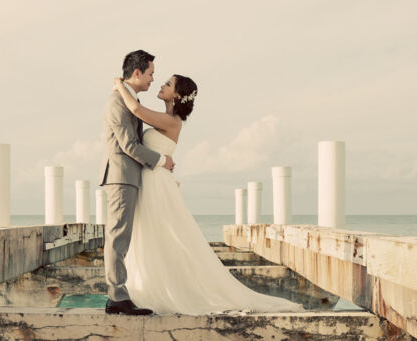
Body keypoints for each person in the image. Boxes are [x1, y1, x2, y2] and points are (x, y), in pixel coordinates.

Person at [110, 71, 305, 315]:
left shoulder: (172, 121)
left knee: (164, 235)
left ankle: (164, 290)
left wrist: (120, 86)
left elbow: (137, 112)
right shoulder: (163, 118)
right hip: (151, 181)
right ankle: (145, 288)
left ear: (178, 95)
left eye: (168, 84)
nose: (161, 84)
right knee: (151, 235)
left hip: (157, 184)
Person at [98, 50, 174, 315]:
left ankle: (119, 295)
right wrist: (160, 161)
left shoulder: (126, 98)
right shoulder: (117, 101)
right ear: (137, 72)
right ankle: (116, 296)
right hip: (120, 177)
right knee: (117, 238)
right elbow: (129, 145)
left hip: (129, 178)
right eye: (151, 74)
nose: (153, 79)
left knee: (123, 238)